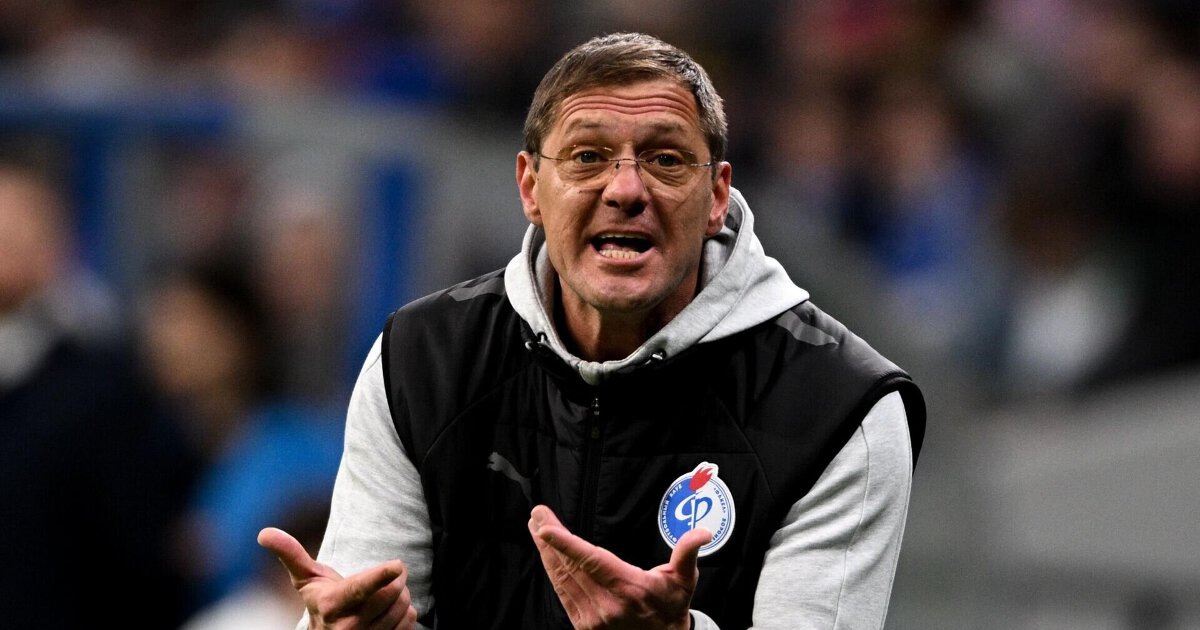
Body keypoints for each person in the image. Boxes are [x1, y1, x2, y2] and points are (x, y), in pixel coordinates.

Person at [259, 32, 926, 629]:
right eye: (587, 156)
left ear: (717, 196)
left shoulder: (840, 409)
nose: (626, 189)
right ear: (530, 187)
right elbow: (358, 607)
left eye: (666, 159)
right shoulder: (421, 362)